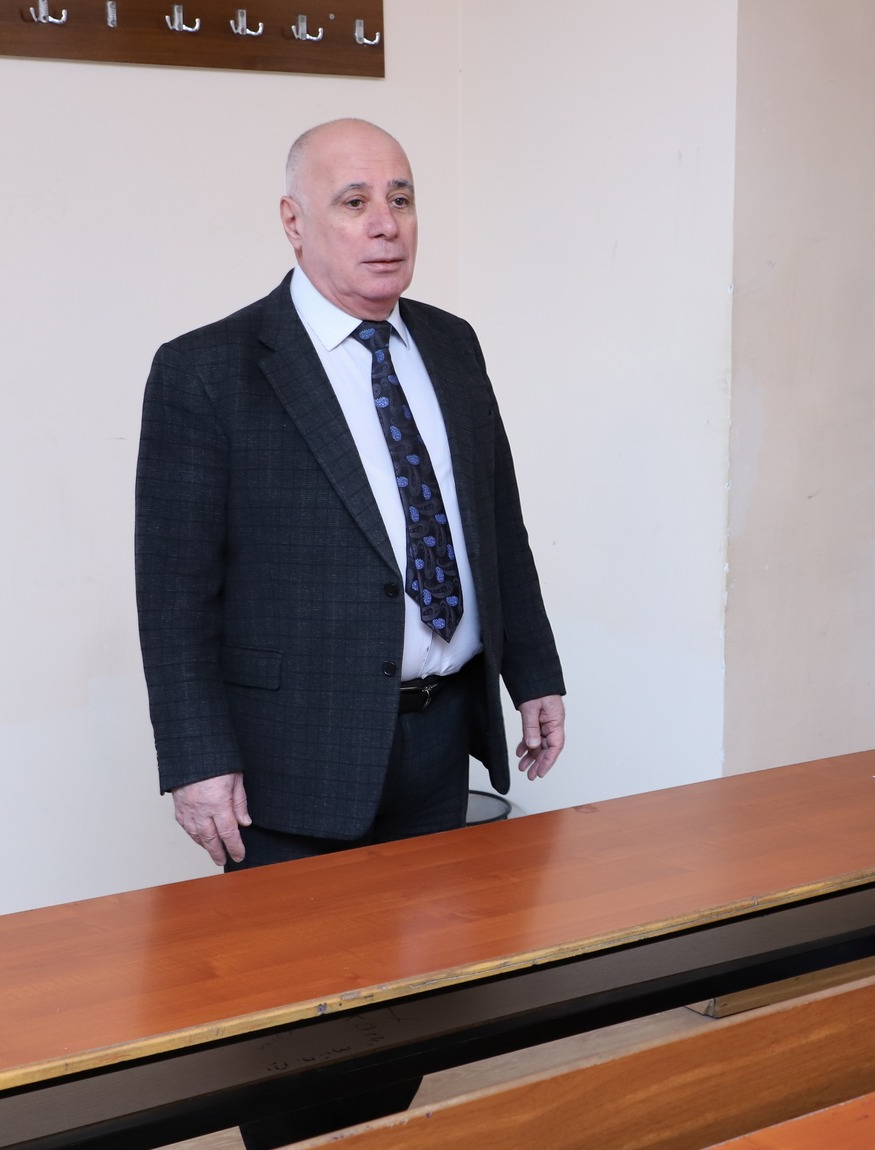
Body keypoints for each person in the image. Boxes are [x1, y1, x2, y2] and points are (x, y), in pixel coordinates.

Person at [134, 119, 567, 1147]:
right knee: (293, 1039)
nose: (386, 224)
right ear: (293, 222)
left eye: (401, 198)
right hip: (289, 763)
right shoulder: (209, 370)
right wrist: (196, 760)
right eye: (354, 202)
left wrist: (533, 672)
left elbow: (494, 522)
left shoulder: (451, 345)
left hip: (435, 740)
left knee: (404, 1016)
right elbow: (173, 589)